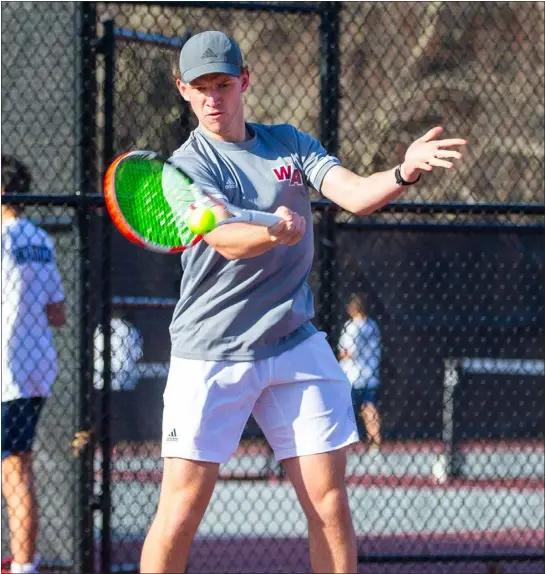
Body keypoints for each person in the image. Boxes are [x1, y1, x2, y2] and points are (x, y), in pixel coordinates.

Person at [140, 31, 467, 574]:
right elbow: (223, 237)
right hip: (213, 353)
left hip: (294, 344)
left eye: (223, 84)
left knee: (328, 503)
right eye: (201, 87)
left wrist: (403, 170)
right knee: (180, 510)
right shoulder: (185, 167)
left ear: (244, 80)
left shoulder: (289, 143)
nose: (213, 98)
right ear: (183, 90)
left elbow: (357, 195)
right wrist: (272, 234)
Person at [1, 155, 66, 574]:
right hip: (35, 365)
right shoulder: (41, 239)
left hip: (6, 367)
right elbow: (57, 313)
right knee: (19, 466)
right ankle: (23, 562)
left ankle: (23, 566)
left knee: (15, 472)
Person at [338, 294, 382, 451]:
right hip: (370, 374)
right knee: (369, 407)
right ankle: (375, 441)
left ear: (352, 309)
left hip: (353, 375)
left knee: (347, 409)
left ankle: (345, 442)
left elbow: (349, 352)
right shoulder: (372, 325)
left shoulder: (351, 327)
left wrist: (338, 356)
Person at [93, 310, 144, 392]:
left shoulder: (99, 328)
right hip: (124, 382)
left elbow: (138, 354)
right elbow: (138, 355)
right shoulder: (129, 329)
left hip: (101, 382)